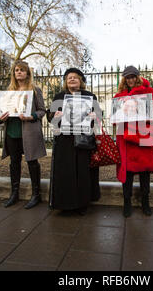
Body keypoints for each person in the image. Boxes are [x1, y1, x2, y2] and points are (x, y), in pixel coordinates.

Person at [47, 68, 101, 215]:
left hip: (83, 139)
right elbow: (50, 118)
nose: (72, 80)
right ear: (65, 81)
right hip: (64, 140)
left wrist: (93, 115)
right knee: (65, 172)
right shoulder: (59, 96)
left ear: (81, 81)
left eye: (75, 78)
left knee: (82, 172)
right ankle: (65, 204)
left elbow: (99, 115)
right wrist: (55, 115)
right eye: (69, 78)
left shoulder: (89, 96)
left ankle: (82, 204)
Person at [114, 66, 153, 217]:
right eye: (128, 77)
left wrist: (147, 108)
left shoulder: (149, 92)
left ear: (138, 77)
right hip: (125, 136)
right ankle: (126, 202)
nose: (131, 80)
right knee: (126, 171)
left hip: (143, 133)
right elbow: (115, 119)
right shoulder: (119, 95)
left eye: (133, 77)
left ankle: (145, 202)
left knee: (144, 171)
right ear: (124, 79)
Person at [0, 61, 47, 209]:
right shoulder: (8, 91)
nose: (19, 72)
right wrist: (1, 117)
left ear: (27, 73)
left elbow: (42, 111)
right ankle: (14, 194)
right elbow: (1, 112)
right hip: (12, 131)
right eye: (16, 70)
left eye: (22, 70)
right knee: (14, 162)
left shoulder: (35, 90)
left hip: (29, 131)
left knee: (32, 162)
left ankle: (36, 194)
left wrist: (31, 116)